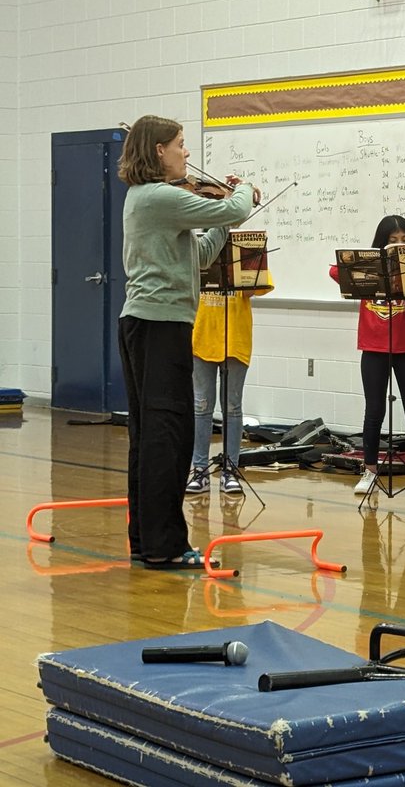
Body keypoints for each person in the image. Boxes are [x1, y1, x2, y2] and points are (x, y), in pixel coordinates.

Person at [117, 115, 256, 570]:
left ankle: (147, 540)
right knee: (165, 437)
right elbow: (233, 208)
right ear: (159, 151)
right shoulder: (160, 196)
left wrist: (227, 223)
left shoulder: (151, 199)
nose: (186, 153)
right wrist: (243, 191)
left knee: (151, 436)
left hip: (148, 324)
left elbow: (196, 255)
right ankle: (164, 545)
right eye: (180, 144)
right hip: (159, 327)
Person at [330, 215, 405, 498]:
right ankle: (369, 472)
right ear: (382, 244)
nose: (399, 245)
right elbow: (335, 271)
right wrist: (367, 266)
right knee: (374, 412)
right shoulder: (371, 269)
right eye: (393, 241)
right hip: (373, 348)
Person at [185, 271, 274, 495]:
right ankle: (199, 470)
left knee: (232, 407)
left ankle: (230, 470)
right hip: (202, 335)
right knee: (201, 406)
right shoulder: (200, 248)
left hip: (235, 338)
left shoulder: (247, 254)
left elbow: (257, 289)